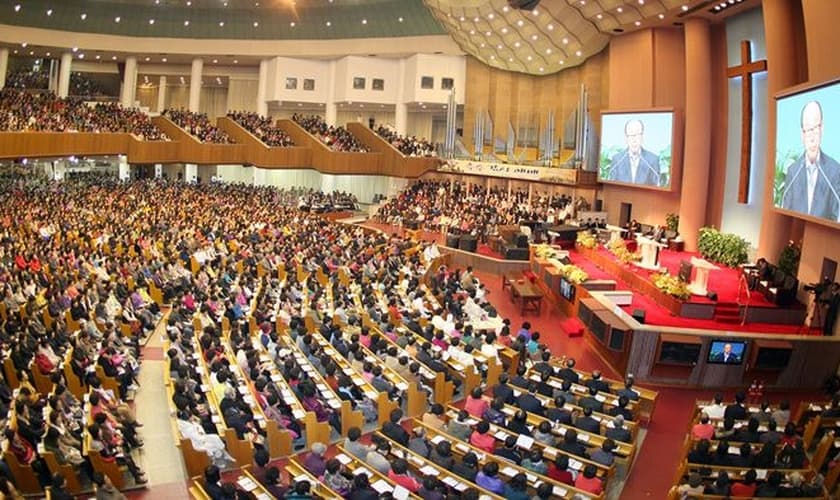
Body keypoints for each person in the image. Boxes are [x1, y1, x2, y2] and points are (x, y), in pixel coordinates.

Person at [781, 101, 840, 220]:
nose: (811, 137)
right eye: (807, 130)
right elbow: (785, 213)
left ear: (822, 128)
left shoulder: (834, 170)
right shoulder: (793, 171)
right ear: (802, 134)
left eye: (815, 128)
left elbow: (836, 214)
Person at [607, 119, 661, 186]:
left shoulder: (653, 160)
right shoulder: (617, 160)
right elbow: (611, 187)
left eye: (637, 135)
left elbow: (656, 187)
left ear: (642, 137)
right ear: (626, 138)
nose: (634, 140)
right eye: (631, 136)